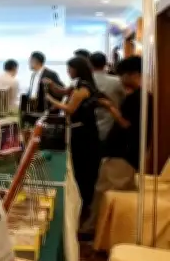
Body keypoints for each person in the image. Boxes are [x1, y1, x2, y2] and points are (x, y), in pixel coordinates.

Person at [84, 56, 151, 231]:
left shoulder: (138, 98)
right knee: (106, 191)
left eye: (123, 75)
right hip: (123, 153)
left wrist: (110, 107)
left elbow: (126, 124)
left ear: (134, 74)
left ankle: (99, 230)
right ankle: (98, 229)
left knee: (108, 194)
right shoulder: (140, 97)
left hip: (123, 153)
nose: (120, 80)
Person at [45, 56, 102, 217]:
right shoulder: (77, 84)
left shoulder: (84, 87)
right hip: (78, 131)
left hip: (85, 134)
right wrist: (52, 85)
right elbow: (63, 91)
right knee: (79, 167)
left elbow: (70, 109)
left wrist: (50, 99)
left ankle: (84, 207)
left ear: (77, 69)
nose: (68, 71)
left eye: (69, 69)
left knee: (83, 169)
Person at [89, 51, 125, 142]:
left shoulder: (85, 81)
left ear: (90, 64)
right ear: (105, 63)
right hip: (112, 123)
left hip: (90, 125)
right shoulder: (117, 81)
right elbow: (124, 99)